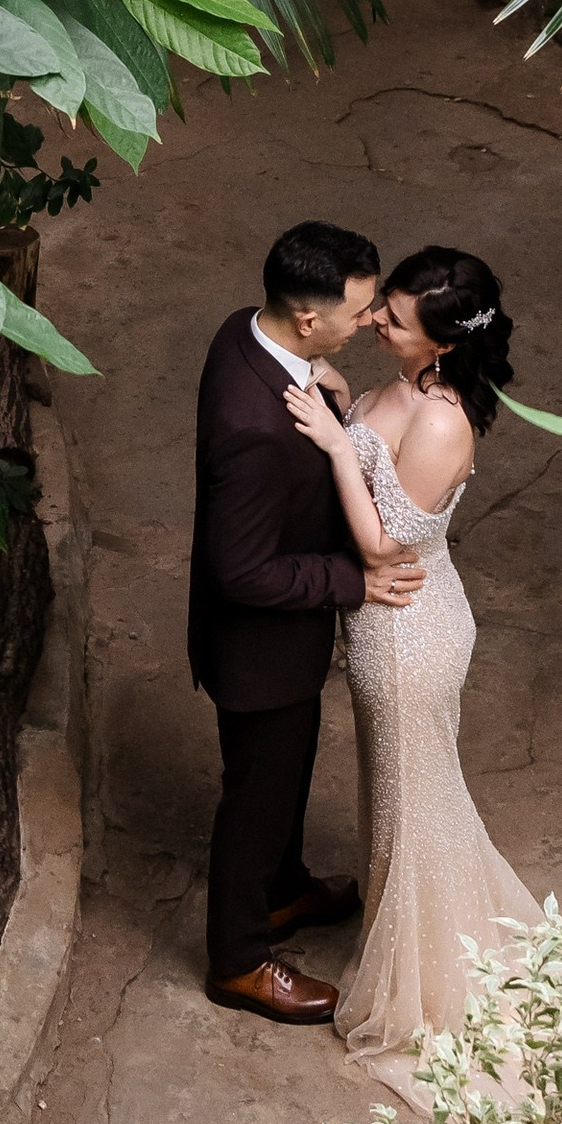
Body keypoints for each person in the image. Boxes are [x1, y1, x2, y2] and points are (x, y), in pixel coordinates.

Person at [281, 243, 538, 1082]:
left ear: (445, 343)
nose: (375, 324)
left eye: (392, 320)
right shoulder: (408, 386)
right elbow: (378, 447)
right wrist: (346, 405)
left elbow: (383, 545)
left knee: (409, 804)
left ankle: (425, 983)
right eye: (382, 308)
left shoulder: (443, 421)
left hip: (406, 636)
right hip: (391, 624)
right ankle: (408, 933)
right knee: (404, 798)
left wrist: (335, 445)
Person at [189, 222, 427, 1025]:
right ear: (305, 318)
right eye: (358, 312)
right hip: (257, 652)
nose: (369, 321)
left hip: (280, 645)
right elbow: (241, 571)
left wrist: (329, 399)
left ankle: (284, 890)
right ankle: (238, 960)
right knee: (256, 799)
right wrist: (354, 581)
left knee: (288, 774)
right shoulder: (253, 429)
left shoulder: (245, 332)